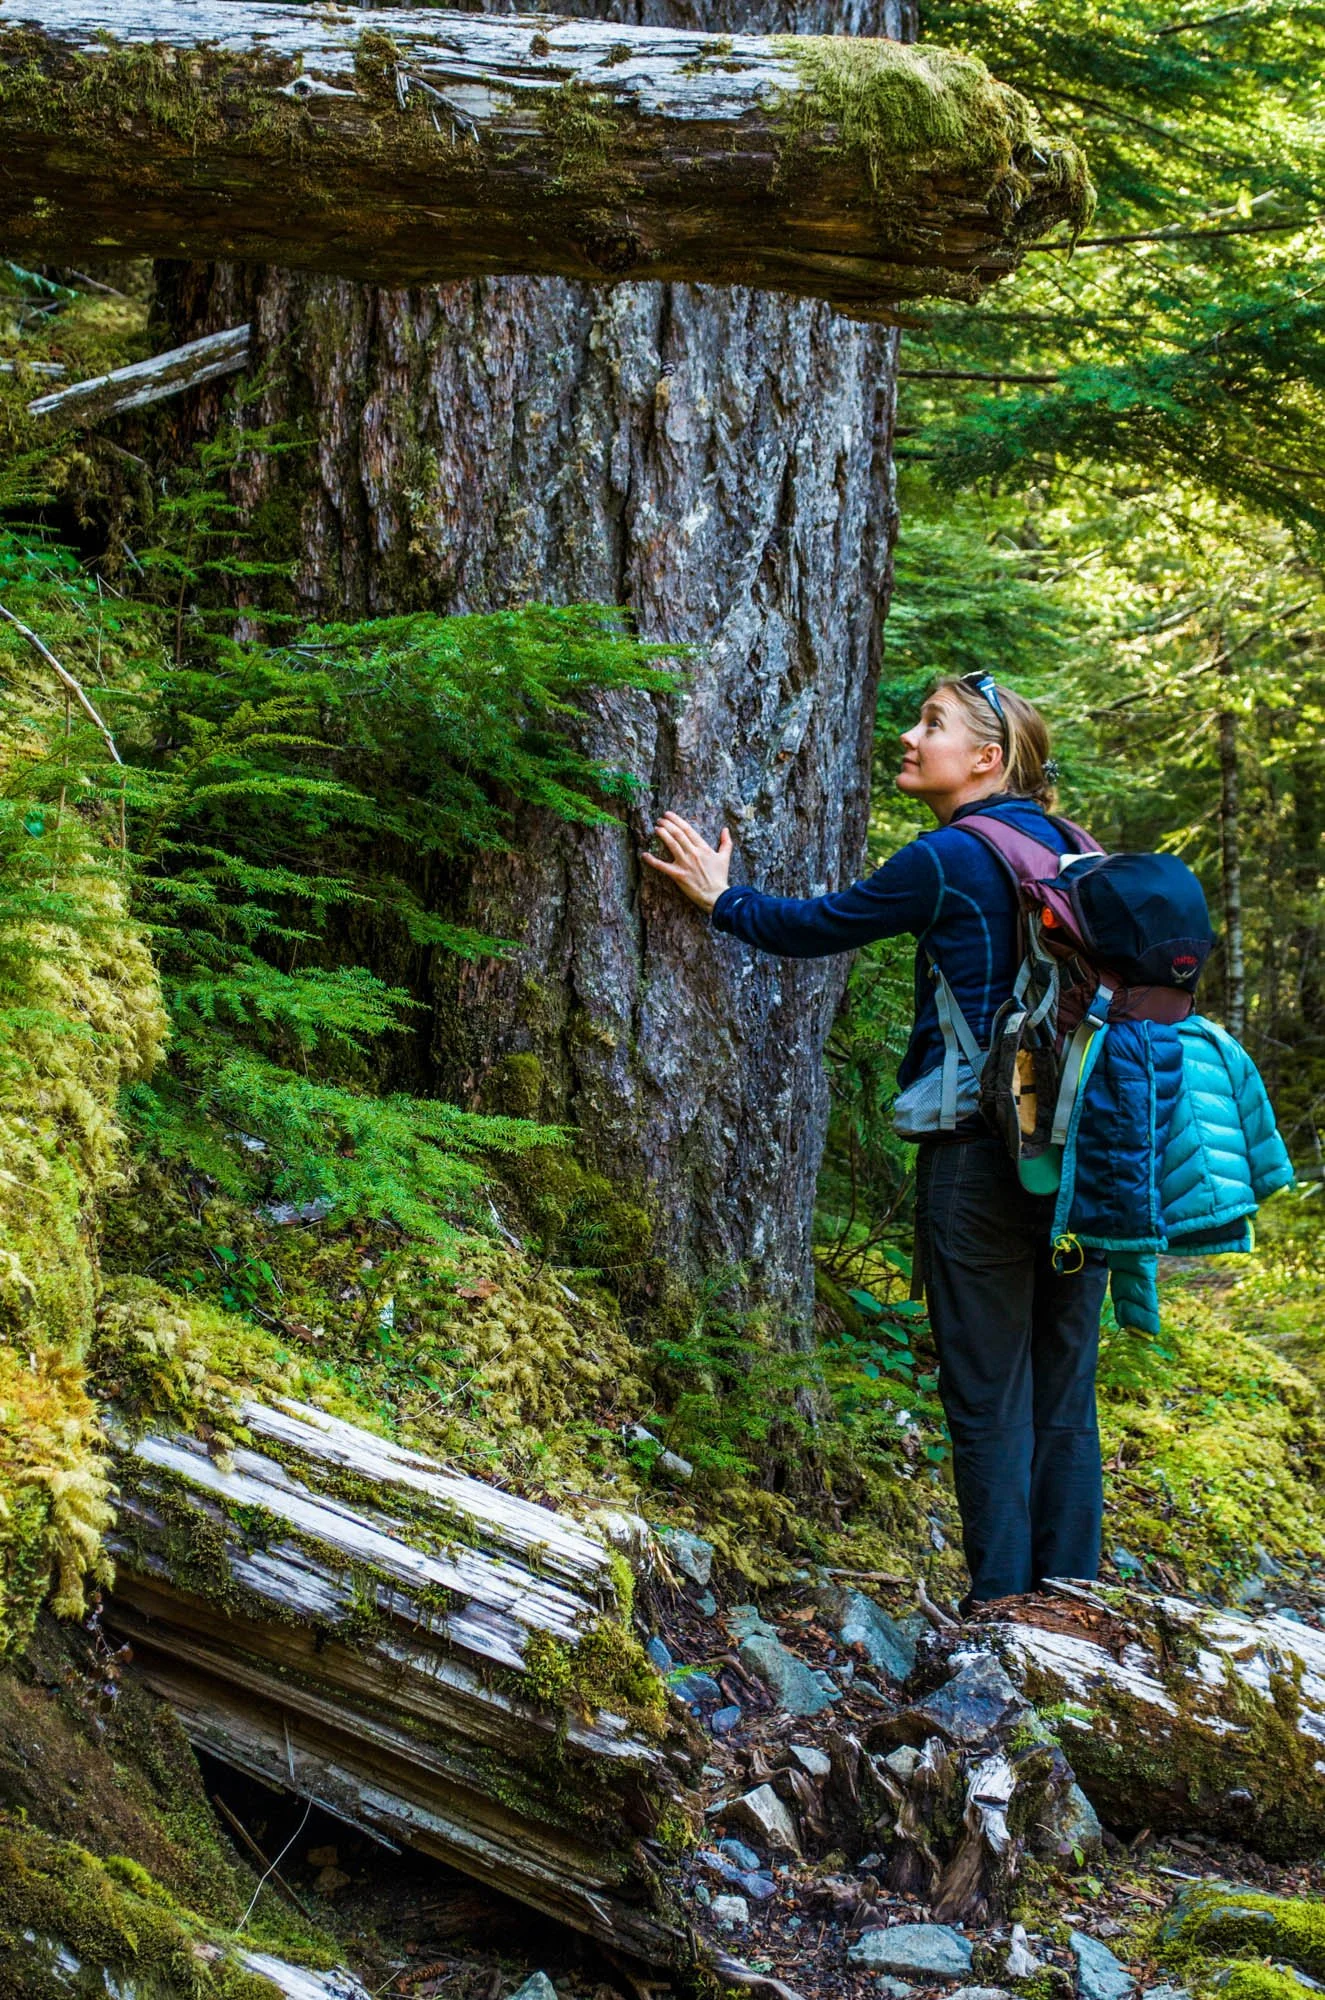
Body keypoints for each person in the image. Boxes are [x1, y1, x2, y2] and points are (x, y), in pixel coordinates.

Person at [642, 673, 1108, 1611]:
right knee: (1063, 1396)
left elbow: (817, 927)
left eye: (930, 724)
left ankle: (1007, 1619)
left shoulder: (948, 856)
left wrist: (720, 896)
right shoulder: (1076, 851)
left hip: (981, 1158)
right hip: (1085, 1159)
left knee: (984, 1397)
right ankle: (1076, 1614)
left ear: (986, 757)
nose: (908, 735)